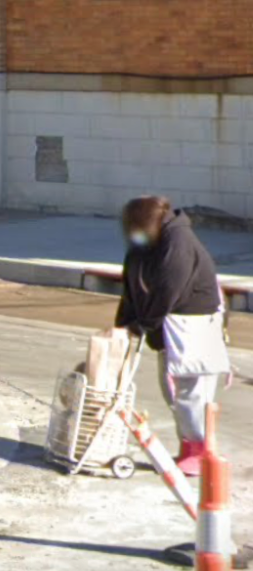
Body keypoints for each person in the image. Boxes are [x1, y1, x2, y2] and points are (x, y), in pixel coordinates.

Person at [115, 195, 232, 475]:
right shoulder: (147, 245)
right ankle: (190, 447)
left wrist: (146, 321)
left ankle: (201, 450)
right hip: (169, 330)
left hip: (192, 327)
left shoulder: (178, 241)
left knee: (192, 392)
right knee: (174, 391)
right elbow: (132, 280)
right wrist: (125, 323)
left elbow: (170, 287)